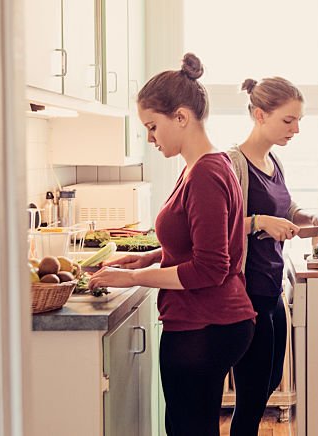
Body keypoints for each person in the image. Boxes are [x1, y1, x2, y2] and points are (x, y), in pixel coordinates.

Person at [88, 53, 257, 436]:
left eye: (152, 126)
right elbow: (195, 247)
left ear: (181, 117)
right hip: (210, 320)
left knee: (187, 428)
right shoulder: (201, 167)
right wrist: (145, 259)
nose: (150, 138)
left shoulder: (205, 174)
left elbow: (211, 267)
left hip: (207, 322)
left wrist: (134, 280)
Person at [225, 76, 318, 436]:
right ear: (259, 115)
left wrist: (312, 218)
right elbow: (216, 227)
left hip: (271, 287)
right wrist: (259, 222)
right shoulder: (233, 164)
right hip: (245, 291)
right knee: (253, 390)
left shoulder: (274, 162)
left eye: (299, 120)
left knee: (270, 381)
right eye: (289, 120)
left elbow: (286, 209)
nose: (297, 129)